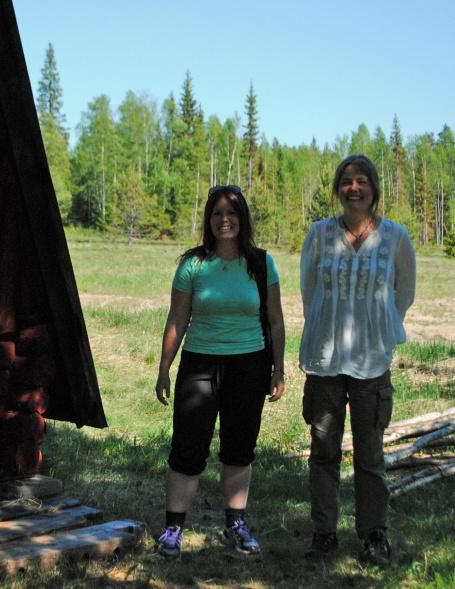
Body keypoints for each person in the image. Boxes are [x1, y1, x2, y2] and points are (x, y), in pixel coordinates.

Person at [154, 184, 285, 559]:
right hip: (199, 364)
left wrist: (279, 369)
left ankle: (236, 525)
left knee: (239, 449)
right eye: (217, 214)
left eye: (232, 213)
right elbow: (178, 319)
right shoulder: (192, 263)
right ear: (208, 220)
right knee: (187, 448)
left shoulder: (262, 263)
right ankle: (173, 530)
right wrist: (164, 368)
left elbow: (275, 320)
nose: (224, 220)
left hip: (250, 365)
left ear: (243, 219)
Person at [299, 154, 416, 566]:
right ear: (338, 188)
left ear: (374, 189)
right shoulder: (318, 234)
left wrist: (378, 329)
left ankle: (373, 535)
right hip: (326, 362)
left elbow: (404, 293)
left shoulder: (396, 237)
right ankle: (324, 533)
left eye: (362, 180)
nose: (354, 187)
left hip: (371, 364)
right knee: (323, 452)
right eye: (346, 180)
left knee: (370, 456)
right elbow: (309, 290)